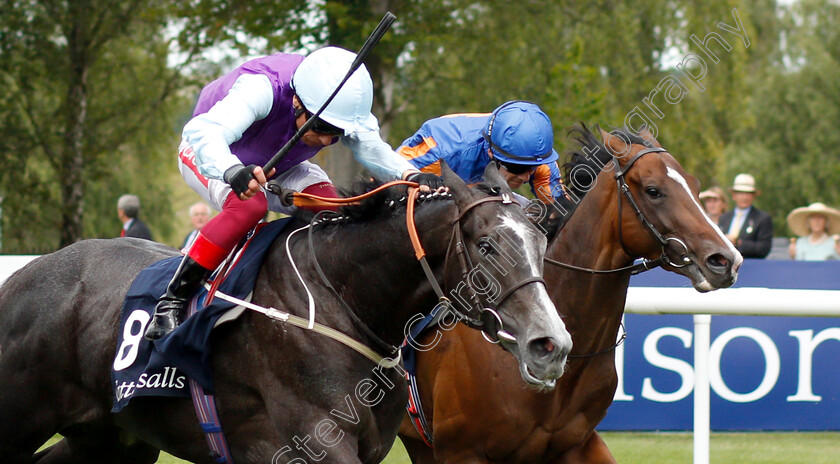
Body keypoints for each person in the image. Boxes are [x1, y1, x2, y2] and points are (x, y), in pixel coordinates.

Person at [144, 46, 444, 340]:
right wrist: (232, 171)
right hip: (211, 153)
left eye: (335, 134)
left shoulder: (341, 102)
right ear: (297, 101)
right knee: (250, 208)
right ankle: (173, 299)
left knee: (334, 210)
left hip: (281, 164)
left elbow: (371, 147)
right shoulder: (262, 87)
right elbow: (205, 133)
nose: (326, 141)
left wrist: (409, 174)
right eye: (322, 128)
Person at [396, 101, 569, 207]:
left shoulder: (537, 156)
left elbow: (559, 213)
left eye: (531, 168)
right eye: (518, 168)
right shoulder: (441, 152)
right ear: (490, 153)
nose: (525, 177)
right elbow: (383, 180)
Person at [717, 173, 773, 259]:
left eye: (748, 193)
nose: (744, 197)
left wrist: (738, 242)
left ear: (753, 196)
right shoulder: (724, 218)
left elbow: (763, 248)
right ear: (734, 195)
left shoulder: (762, 218)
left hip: (750, 266)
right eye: (740, 193)